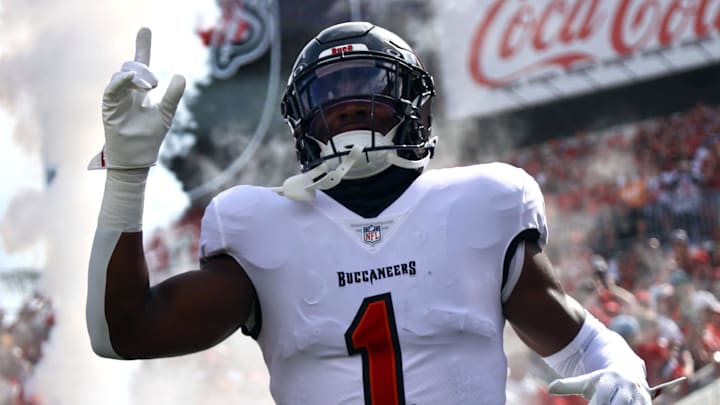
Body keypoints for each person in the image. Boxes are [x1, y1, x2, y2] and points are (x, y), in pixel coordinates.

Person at [86, 22, 681, 404]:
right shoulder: (259, 229)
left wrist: (622, 369)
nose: (349, 106)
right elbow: (124, 333)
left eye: (368, 87)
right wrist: (129, 174)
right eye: (331, 99)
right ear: (302, 124)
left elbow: (581, 342)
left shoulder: (482, 205)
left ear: (415, 107)